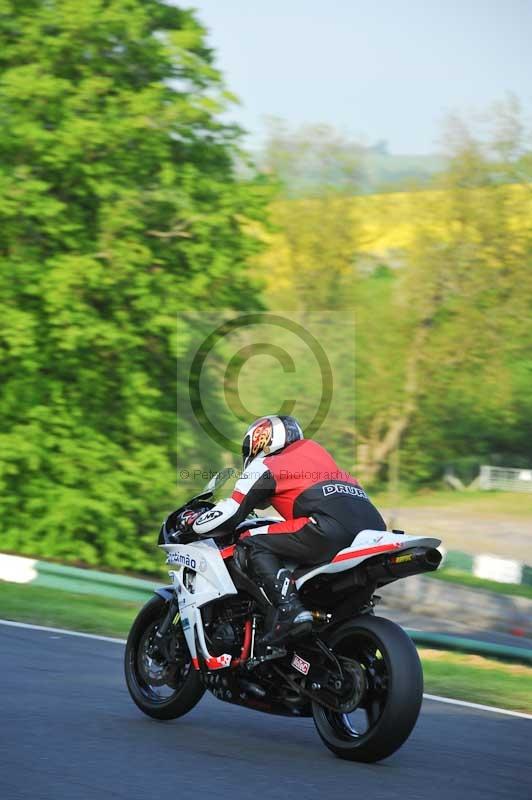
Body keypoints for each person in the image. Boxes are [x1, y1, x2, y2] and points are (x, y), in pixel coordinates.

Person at [182, 415, 386, 643]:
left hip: (328, 528)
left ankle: (289, 610)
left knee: (250, 540)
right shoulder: (318, 459)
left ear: (261, 441)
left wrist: (194, 521)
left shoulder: (267, 463)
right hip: (373, 531)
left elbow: (231, 514)